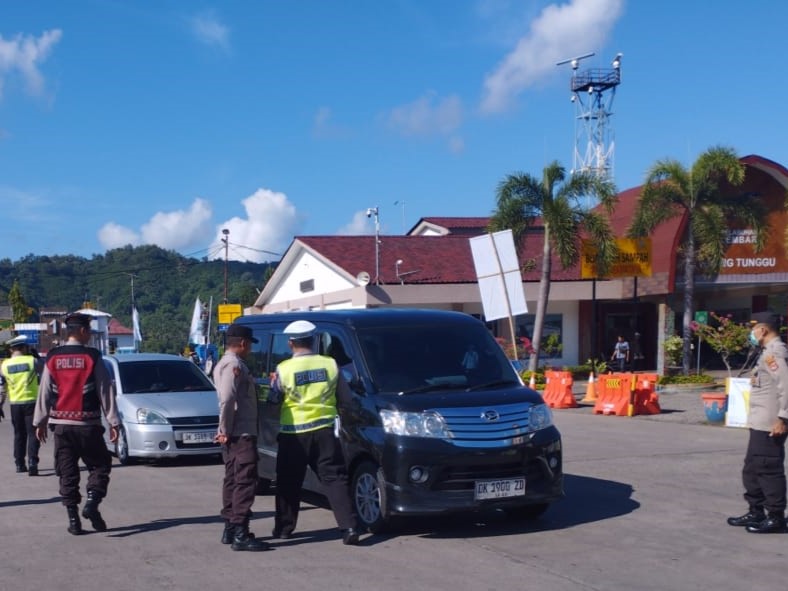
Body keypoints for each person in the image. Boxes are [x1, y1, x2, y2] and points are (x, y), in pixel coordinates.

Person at [269, 319, 360, 545]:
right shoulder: (330, 364)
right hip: (325, 430)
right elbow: (346, 399)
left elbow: (273, 400)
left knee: (288, 482)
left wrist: (273, 385)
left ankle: (284, 529)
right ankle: (349, 527)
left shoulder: (284, 369)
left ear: (291, 344)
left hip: (294, 434)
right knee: (335, 479)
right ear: (313, 340)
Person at [33, 313, 120, 535]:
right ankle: (92, 504)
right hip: (88, 424)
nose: (90, 335)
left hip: (61, 426)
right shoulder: (92, 356)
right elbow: (105, 390)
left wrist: (39, 422)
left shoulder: (52, 357)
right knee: (100, 465)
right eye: (89, 331)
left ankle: (73, 520)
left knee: (67, 472)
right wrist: (113, 422)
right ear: (82, 331)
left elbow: (44, 391)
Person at [727, 312, 788, 534]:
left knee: (768, 468)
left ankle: (775, 516)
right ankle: (756, 511)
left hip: (771, 423)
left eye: (753, 328)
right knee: (752, 468)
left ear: (762, 330)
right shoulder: (765, 353)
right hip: (760, 422)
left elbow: (786, 386)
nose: (751, 333)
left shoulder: (775, 353)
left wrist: (783, 418)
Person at [214, 324, 270, 551]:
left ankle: (230, 527)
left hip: (234, 433)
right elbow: (227, 399)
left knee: (233, 480)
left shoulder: (225, 363)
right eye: (249, 346)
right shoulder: (234, 364)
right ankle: (240, 532)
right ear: (244, 343)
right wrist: (224, 429)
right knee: (244, 482)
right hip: (240, 433)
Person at [0, 335, 44, 475]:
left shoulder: (4, 365)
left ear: (11, 349)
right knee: (33, 433)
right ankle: (32, 462)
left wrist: (0, 405)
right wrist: (37, 357)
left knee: (19, 434)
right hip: (31, 402)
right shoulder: (32, 361)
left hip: (15, 405)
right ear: (24, 347)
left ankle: (19, 463)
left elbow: (2, 388)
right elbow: (45, 372)